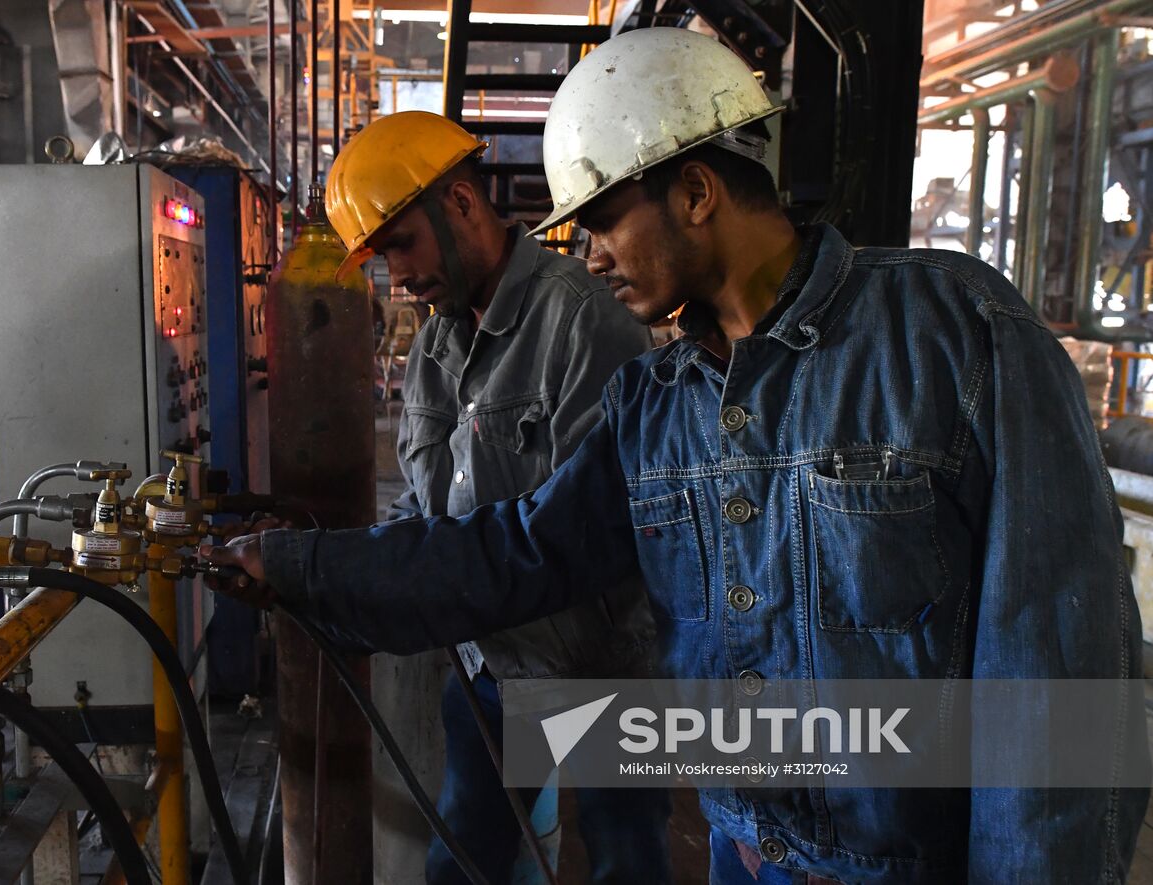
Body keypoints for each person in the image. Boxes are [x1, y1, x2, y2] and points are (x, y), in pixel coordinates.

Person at [211, 28, 1150, 883]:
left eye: (604, 222)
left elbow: (1061, 679)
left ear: (695, 193)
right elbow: (511, 552)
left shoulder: (949, 336)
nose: (592, 255)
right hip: (746, 853)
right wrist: (301, 565)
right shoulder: (654, 409)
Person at [322, 110, 671, 883]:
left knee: (624, 861)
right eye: (381, 259)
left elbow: (581, 533)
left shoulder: (585, 321)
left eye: (401, 243)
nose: (398, 276)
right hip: (488, 663)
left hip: (598, 668)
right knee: (463, 863)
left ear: (460, 203)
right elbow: (424, 503)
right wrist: (361, 587)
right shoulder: (438, 341)